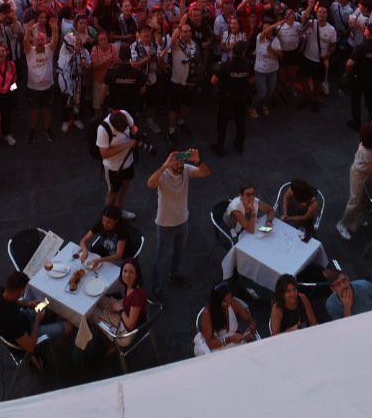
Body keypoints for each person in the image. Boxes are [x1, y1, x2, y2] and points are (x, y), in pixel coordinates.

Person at [146, 146, 209, 293]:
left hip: (182, 220)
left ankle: (174, 275)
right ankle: (156, 286)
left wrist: (198, 161)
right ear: (169, 162)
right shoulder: (163, 175)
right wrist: (164, 166)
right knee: (161, 257)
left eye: (181, 161)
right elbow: (150, 183)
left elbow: (205, 173)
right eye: (175, 162)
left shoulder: (186, 169)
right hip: (165, 224)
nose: (179, 165)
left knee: (178, 252)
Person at [0, 271, 70, 372]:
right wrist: (37, 321)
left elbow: (13, 301)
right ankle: (53, 344)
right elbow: (30, 347)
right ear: (19, 291)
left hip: (21, 320)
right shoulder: (12, 320)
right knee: (69, 326)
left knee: (46, 302)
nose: (24, 292)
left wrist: (27, 304)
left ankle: (48, 319)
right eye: (23, 290)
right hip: (28, 335)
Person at [336, 122, 372, 240]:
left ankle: (356, 220)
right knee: (355, 200)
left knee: (368, 196)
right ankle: (342, 223)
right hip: (359, 175)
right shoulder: (367, 152)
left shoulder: (371, 143)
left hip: (366, 173)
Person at [193, 280, 257, 354]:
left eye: (230, 298)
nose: (228, 303)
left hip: (235, 343)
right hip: (217, 347)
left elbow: (250, 321)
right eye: (224, 301)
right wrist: (229, 340)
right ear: (216, 302)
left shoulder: (233, 303)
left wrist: (251, 329)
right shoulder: (207, 314)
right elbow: (209, 343)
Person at [96, 108, 139, 217]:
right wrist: (127, 144)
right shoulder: (103, 129)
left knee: (124, 187)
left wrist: (135, 131)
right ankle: (106, 218)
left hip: (128, 162)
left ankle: (118, 212)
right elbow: (104, 154)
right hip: (113, 168)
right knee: (112, 193)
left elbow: (133, 127)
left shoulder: (124, 113)